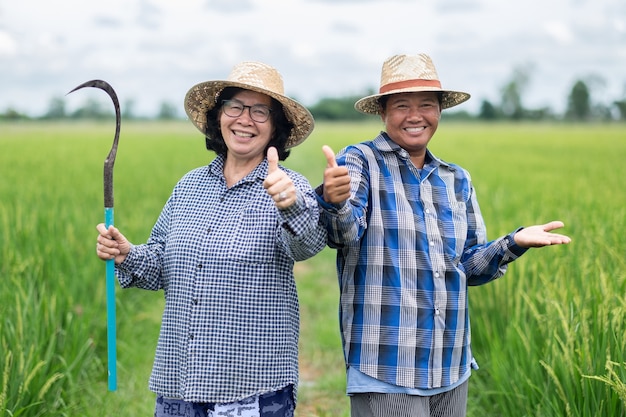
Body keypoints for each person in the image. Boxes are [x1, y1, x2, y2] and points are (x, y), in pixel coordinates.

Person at [316, 53, 571, 417]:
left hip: (451, 365)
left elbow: (467, 266)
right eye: (402, 105)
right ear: (383, 112)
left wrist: (513, 243)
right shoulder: (360, 161)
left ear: (439, 111)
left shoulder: (456, 179)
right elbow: (344, 233)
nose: (415, 115)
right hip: (388, 365)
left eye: (426, 105)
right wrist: (335, 201)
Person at [96, 61, 327, 417]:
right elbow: (161, 265)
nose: (244, 119)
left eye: (260, 111)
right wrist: (127, 254)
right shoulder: (190, 186)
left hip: (250, 388)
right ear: (219, 117)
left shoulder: (287, 184)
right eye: (234, 106)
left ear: (276, 127)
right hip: (179, 383)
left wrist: (289, 204)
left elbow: (308, 243)